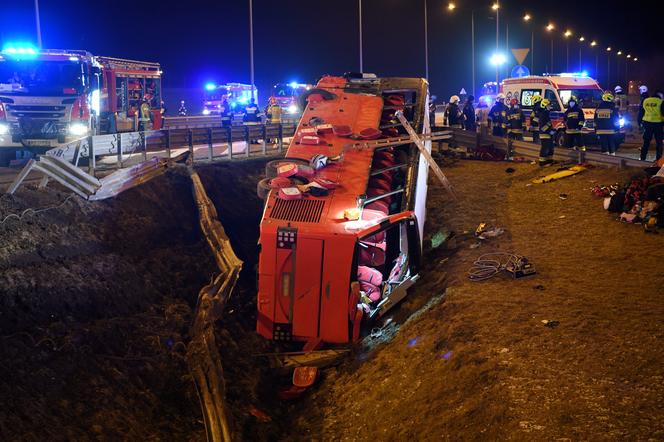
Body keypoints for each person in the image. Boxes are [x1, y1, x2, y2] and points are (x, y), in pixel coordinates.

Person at [638, 91, 664, 161]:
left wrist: (639, 123)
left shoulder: (645, 101)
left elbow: (640, 112)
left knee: (646, 141)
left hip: (647, 123)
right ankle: (658, 159)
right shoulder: (661, 101)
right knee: (659, 142)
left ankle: (642, 158)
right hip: (658, 124)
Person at [594, 91, 620, 156]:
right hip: (610, 130)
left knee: (603, 143)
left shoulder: (598, 108)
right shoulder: (613, 108)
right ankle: (612, 156)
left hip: (600, 130)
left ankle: (605, 158)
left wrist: (595, 129)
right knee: (611, 143)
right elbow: (616, 120)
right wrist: (617, 128)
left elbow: (595, 120)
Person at [538, 98, 555, 165]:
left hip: (548, 134)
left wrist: (552, 130)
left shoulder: (546, 113)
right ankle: (542, 162)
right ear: (545, 105)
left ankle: (549, 160)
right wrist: (549, 131)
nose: (550, 106)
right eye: (549, 105)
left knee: (550, 148)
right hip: (544, 134)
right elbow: (543, 127)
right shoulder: (543, 114)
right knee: (545, 148)